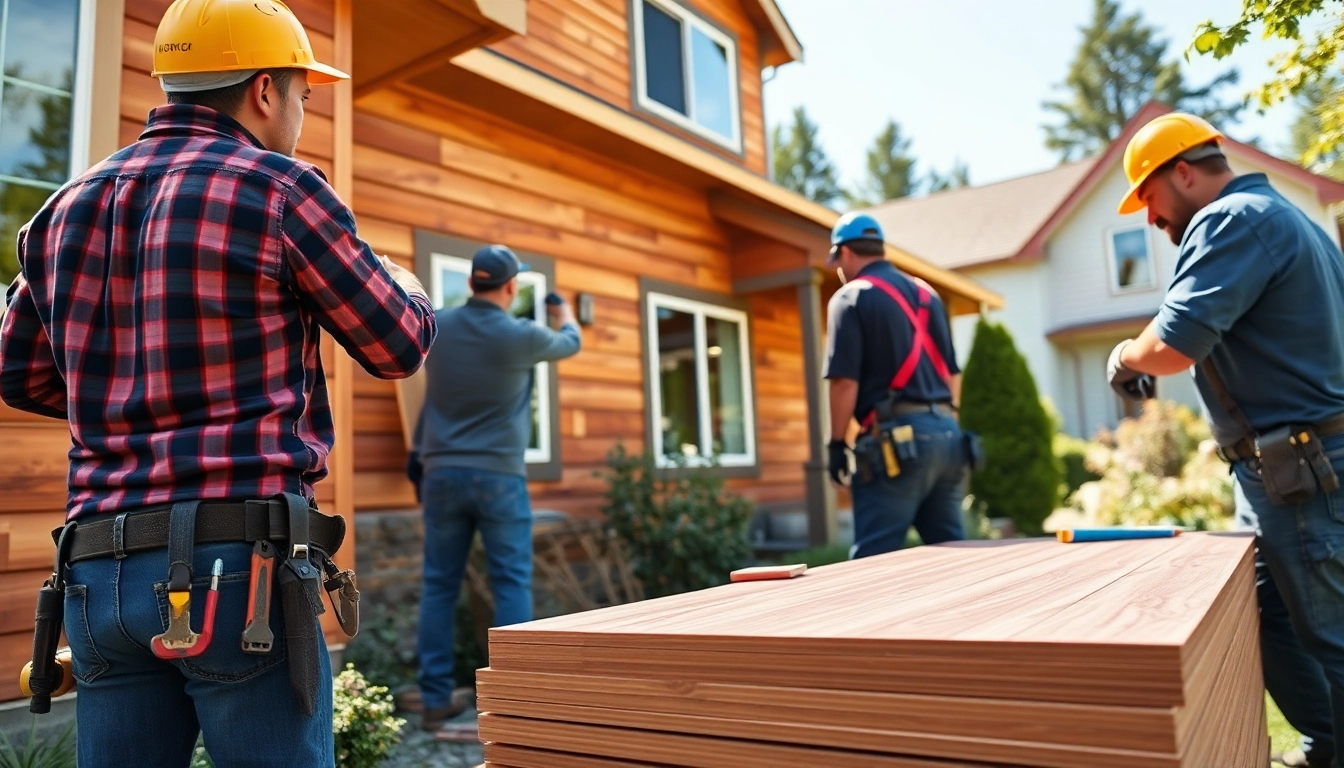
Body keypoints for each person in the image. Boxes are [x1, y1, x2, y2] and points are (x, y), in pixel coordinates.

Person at [0, 0, 437, 765]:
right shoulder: (280, 190)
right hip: (240, 572)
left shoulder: (62, 210)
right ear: (265, 89)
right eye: (304, 94)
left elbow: (20, 373)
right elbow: (397, 344)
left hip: (98, 573)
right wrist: (406, 281)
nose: (301, 112)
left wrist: (130, 388)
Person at [1107, 111, 1344, 768]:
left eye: (1149, 197)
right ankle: (1327, 744)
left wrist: (1124, 356)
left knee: (1333, 638)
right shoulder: (1291, 219)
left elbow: (1172, 344)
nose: (1150, 218)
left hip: (1302, 471)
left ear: (1183, 172)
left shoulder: (1230, 220)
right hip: (1288, 469)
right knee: (1263, 610)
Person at [407, 244, 581, 736]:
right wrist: (564, 312)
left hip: (442, 474)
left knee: (439, 585)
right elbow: (571, 342)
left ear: (470, 283)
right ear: (510, 287)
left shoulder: (437, 327)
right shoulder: (522, 335)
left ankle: (435, 700)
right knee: (511, 583)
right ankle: (514, 701)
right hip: (499, 478)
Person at [823, 212, 969, 558]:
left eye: (837, 261)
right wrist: (943, 424)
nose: (839, 269)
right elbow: (952, 374)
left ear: (845, 253)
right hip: (949, 435)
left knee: (874, 562)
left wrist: (837, 444)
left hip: (897, 442)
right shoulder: (927, 294)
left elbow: (843, 383)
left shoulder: (850, 297)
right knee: (953, 554)